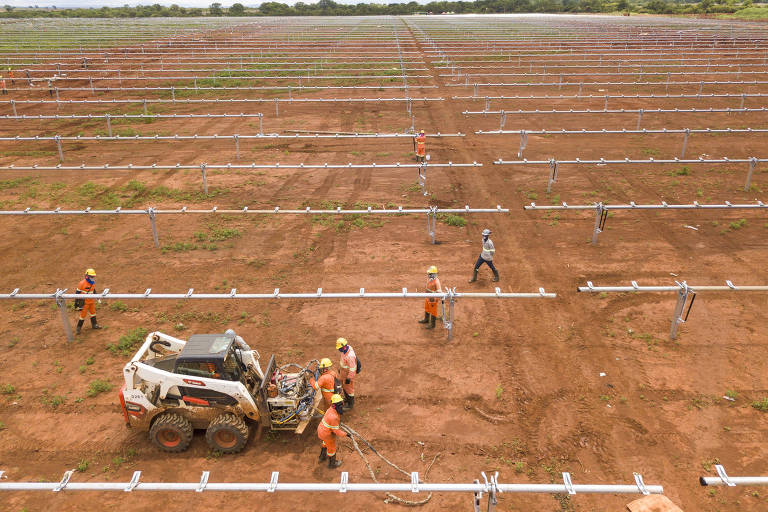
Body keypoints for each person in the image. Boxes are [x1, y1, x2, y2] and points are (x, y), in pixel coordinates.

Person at [317, 394, 346, 468]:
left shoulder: (330, 409)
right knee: (332, 448)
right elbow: (336, 431)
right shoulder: (333, 417)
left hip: (321, 430)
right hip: (327, 434)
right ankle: (332, 464)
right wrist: (346, 434)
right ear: (334, 405)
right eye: (339, 404)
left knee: (325, 442)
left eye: (341, 404)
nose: (341, 406)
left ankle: (322, 457)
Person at [75, 268, 102, 334]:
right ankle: (78, 328)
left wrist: (98, 298)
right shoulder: (81, 283)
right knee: (83, 315)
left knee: (93, 313)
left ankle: (94, 325)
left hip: (91, 301)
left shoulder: (92, 283)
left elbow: (94, 290)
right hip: (84, 303)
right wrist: (76, 303)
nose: (92, 278)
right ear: (87, 276)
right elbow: (77, 294)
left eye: (93, 276)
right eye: (91, 276)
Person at [336, 338, 357, 409]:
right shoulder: (345, 350)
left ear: (344, 346)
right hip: (343, 371)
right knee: (344, 386)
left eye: (340, 348)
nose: (339, 350)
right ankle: (347, 399)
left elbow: (353, 369)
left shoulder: (350, 356)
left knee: (349, 389)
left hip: (348, 374)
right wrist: (341, 369)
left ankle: (350, 404)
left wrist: (349, 378)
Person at [418, 265, 441, 329]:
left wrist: (432, 294)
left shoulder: (436, 282)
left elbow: (439, 292)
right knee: (427, 308)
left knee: (433, 311)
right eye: (428, 273)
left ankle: (432, 325)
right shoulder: (429, 279)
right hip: (428, 297)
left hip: (433, 299)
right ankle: (426, 319)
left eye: (430, 274)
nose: (428, 274)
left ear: (434, 274)